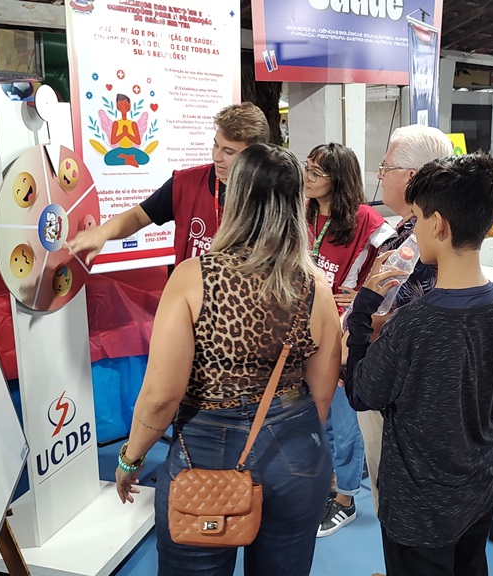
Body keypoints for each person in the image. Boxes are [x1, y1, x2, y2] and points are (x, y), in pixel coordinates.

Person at [114, 143, 343, 575]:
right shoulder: (315, 287)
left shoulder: (193, 278)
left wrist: (131, 458)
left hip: (205, 448)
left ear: (235, 198)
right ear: (296, 203)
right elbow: (322, 395)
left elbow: (162, 395)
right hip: (296, 449)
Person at [344, 152, 493, 576]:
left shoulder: (413, 322)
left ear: (438, 225)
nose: (415, 229)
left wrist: (363, 312)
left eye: (418, 218)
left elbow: (361, 393)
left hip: (417, 506)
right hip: (479, 485)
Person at [357, 124, 452, 512]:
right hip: (419, 390)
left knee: (394, 494)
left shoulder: (419, 240)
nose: (381, 176)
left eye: (386, 168)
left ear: (411, 176)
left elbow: (391, 319)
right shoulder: (427, 229)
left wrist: (360, 322)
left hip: (395, 391)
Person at [302, 143, 392, 537]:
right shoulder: (303, 212)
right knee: (316, 414)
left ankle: (346, 499)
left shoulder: (367, 221)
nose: (307, 177)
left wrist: (365, 296)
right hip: (305, 325)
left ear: (338, 179)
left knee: (344, 419)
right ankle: (329, 486)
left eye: (315, 172)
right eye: (306, 168)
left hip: (342, 330)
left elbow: (397, 270)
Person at [68, 102, 270, 265]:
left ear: (255, 156)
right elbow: (138, 216)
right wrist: (102, 233)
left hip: (242, 299)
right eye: (215, 145)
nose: (217, 157)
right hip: (189, 297)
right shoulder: (186, 183)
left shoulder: (270, 195)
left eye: (229, 152)